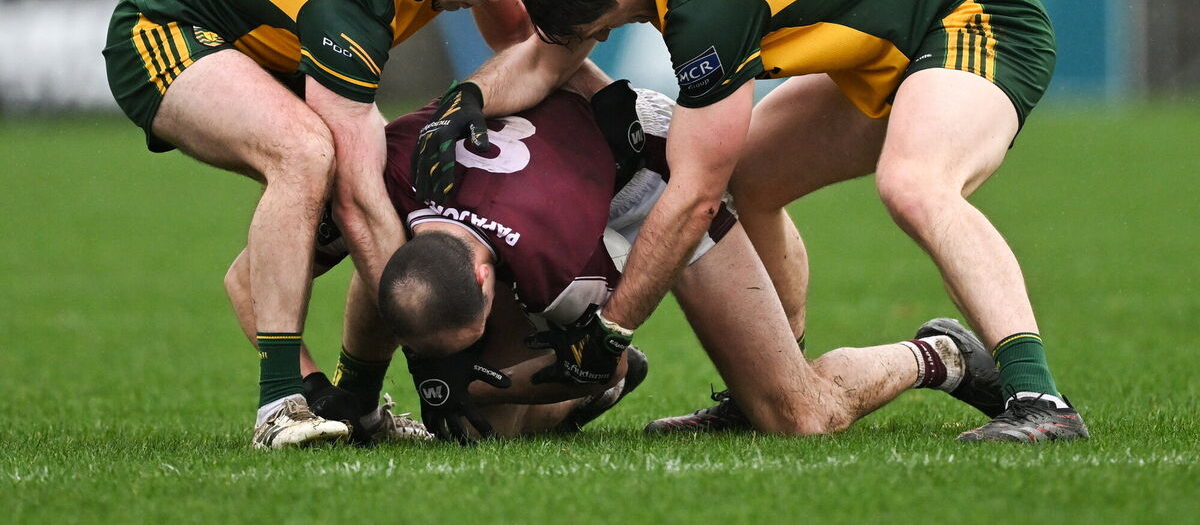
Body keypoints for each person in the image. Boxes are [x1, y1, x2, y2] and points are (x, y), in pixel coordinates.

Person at [412, 0, 1088, 443]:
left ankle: (1040, 399)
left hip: (975, 19)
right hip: (886, 48)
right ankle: (776, 372)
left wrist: (610, 331)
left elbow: (692, 198)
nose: (604, 37)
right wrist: (467, 99)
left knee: (914, 183)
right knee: (751, 178)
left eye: (602, 27)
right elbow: (547, 58)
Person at [279, 73, 1006, 442]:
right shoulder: (371, 188)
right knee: (475, 430)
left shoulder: (555, 263)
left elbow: (599, 353)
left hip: (650, 171)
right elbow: (252, 276)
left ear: (483, 276)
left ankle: (938, 354)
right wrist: (309, 388)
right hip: (545, 168)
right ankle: (359, 395)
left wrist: (487, 381)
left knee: (795, 413)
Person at [102, 0, 547, 449]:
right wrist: (432, 359)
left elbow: (517, 35)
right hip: (168, 28)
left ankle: (354, 406)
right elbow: (358, 204)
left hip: (278, 35)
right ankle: (279, 404)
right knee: (307, 156)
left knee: (392, 187)